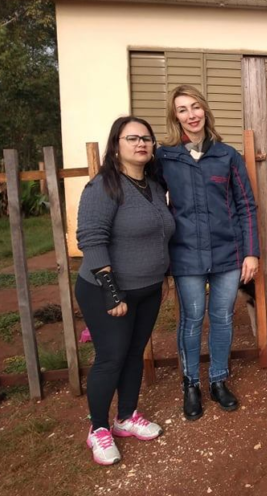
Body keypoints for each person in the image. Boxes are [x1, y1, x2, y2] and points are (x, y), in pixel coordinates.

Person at [76, 116, 175, 465]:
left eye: (146, 138)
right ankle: (98, 429)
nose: (141, 144)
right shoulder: (104, 186)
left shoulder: (151, 185)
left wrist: (162, 277)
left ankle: (126, 417)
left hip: (147, 289)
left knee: (134, 353)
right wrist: (111, 292)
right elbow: (91, 238)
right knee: (111, 357)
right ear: (116, 144)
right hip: (108, 290)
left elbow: (159, 235)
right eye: (132, 138)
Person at [157, 85, 260, 421]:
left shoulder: (226, 155)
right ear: (176, 117)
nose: (192, 114)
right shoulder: (166, 157)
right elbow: (153, 204)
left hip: (227, 255)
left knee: (222, 318)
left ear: (205, 110)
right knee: (191, 320)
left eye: (196, 106)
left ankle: (217, 380)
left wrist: (250, 253)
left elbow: (246, 205)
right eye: (183, 109)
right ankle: (190, 385)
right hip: (186, 255)